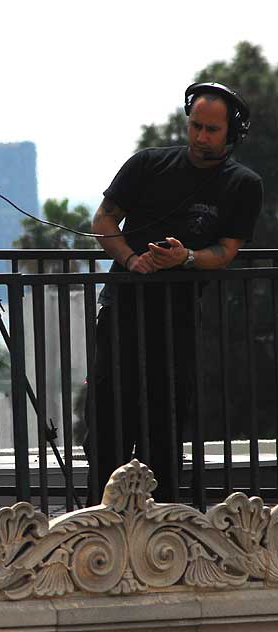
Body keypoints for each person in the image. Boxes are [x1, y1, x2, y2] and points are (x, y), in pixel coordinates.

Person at [86, 82, 263, 503]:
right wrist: (132, 260)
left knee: (164, 426)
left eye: (212, 130)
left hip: (177, 317)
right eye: (196, 126)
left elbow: (226, 251)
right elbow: (104, 220)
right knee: (108, 423)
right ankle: (100, 515)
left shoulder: (242, 184)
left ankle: (161, 522)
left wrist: (184, 259)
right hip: (122, 309)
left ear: (232, 133)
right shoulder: (147, 165)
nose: (201, 137)